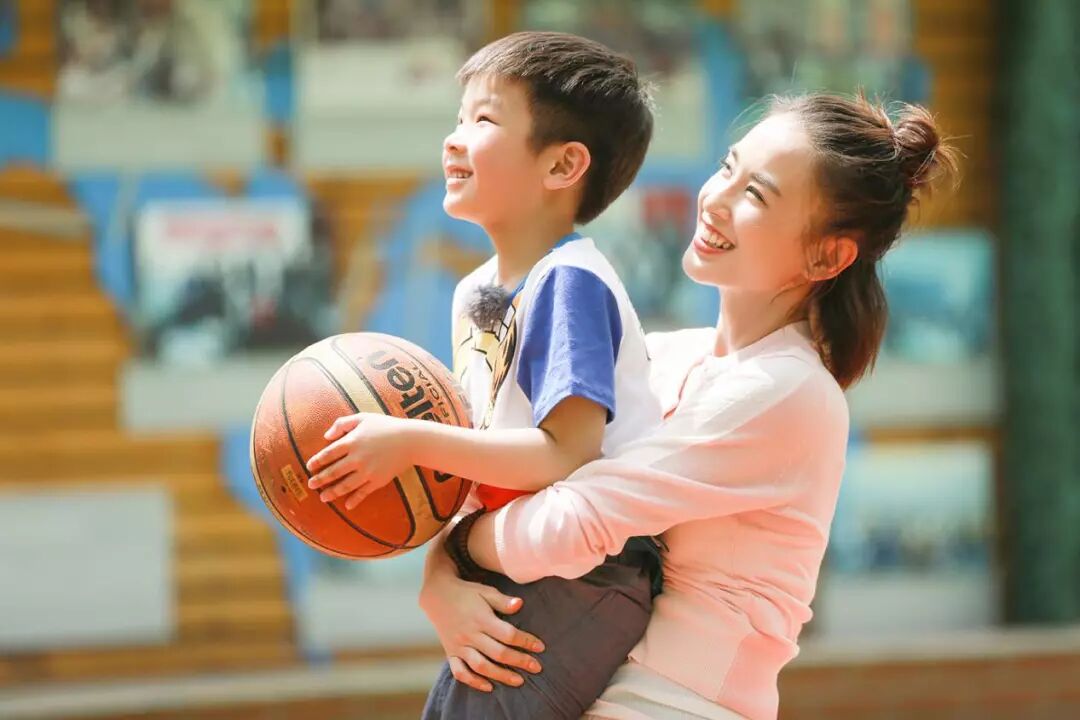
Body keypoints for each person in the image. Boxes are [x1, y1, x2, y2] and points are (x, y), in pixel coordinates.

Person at [419, 92, 958, 720]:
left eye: (756, 195)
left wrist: (456, 551)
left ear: (827, 255)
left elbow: (575, 521)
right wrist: (440, 585)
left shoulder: (787, 390)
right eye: (727, 167)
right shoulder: (668, 356)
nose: (716, 199)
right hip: (584, 687)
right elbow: (511, 472)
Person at [304, 31, 666, 719]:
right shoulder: (475, 292)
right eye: (458, 117)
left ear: (563, 164)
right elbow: (477, 463)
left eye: (484, 120)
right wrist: (440, 573)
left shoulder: (569, 281)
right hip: (515, 556)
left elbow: (566, 453)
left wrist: (409, 441)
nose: (453, 140)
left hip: (589, 570)